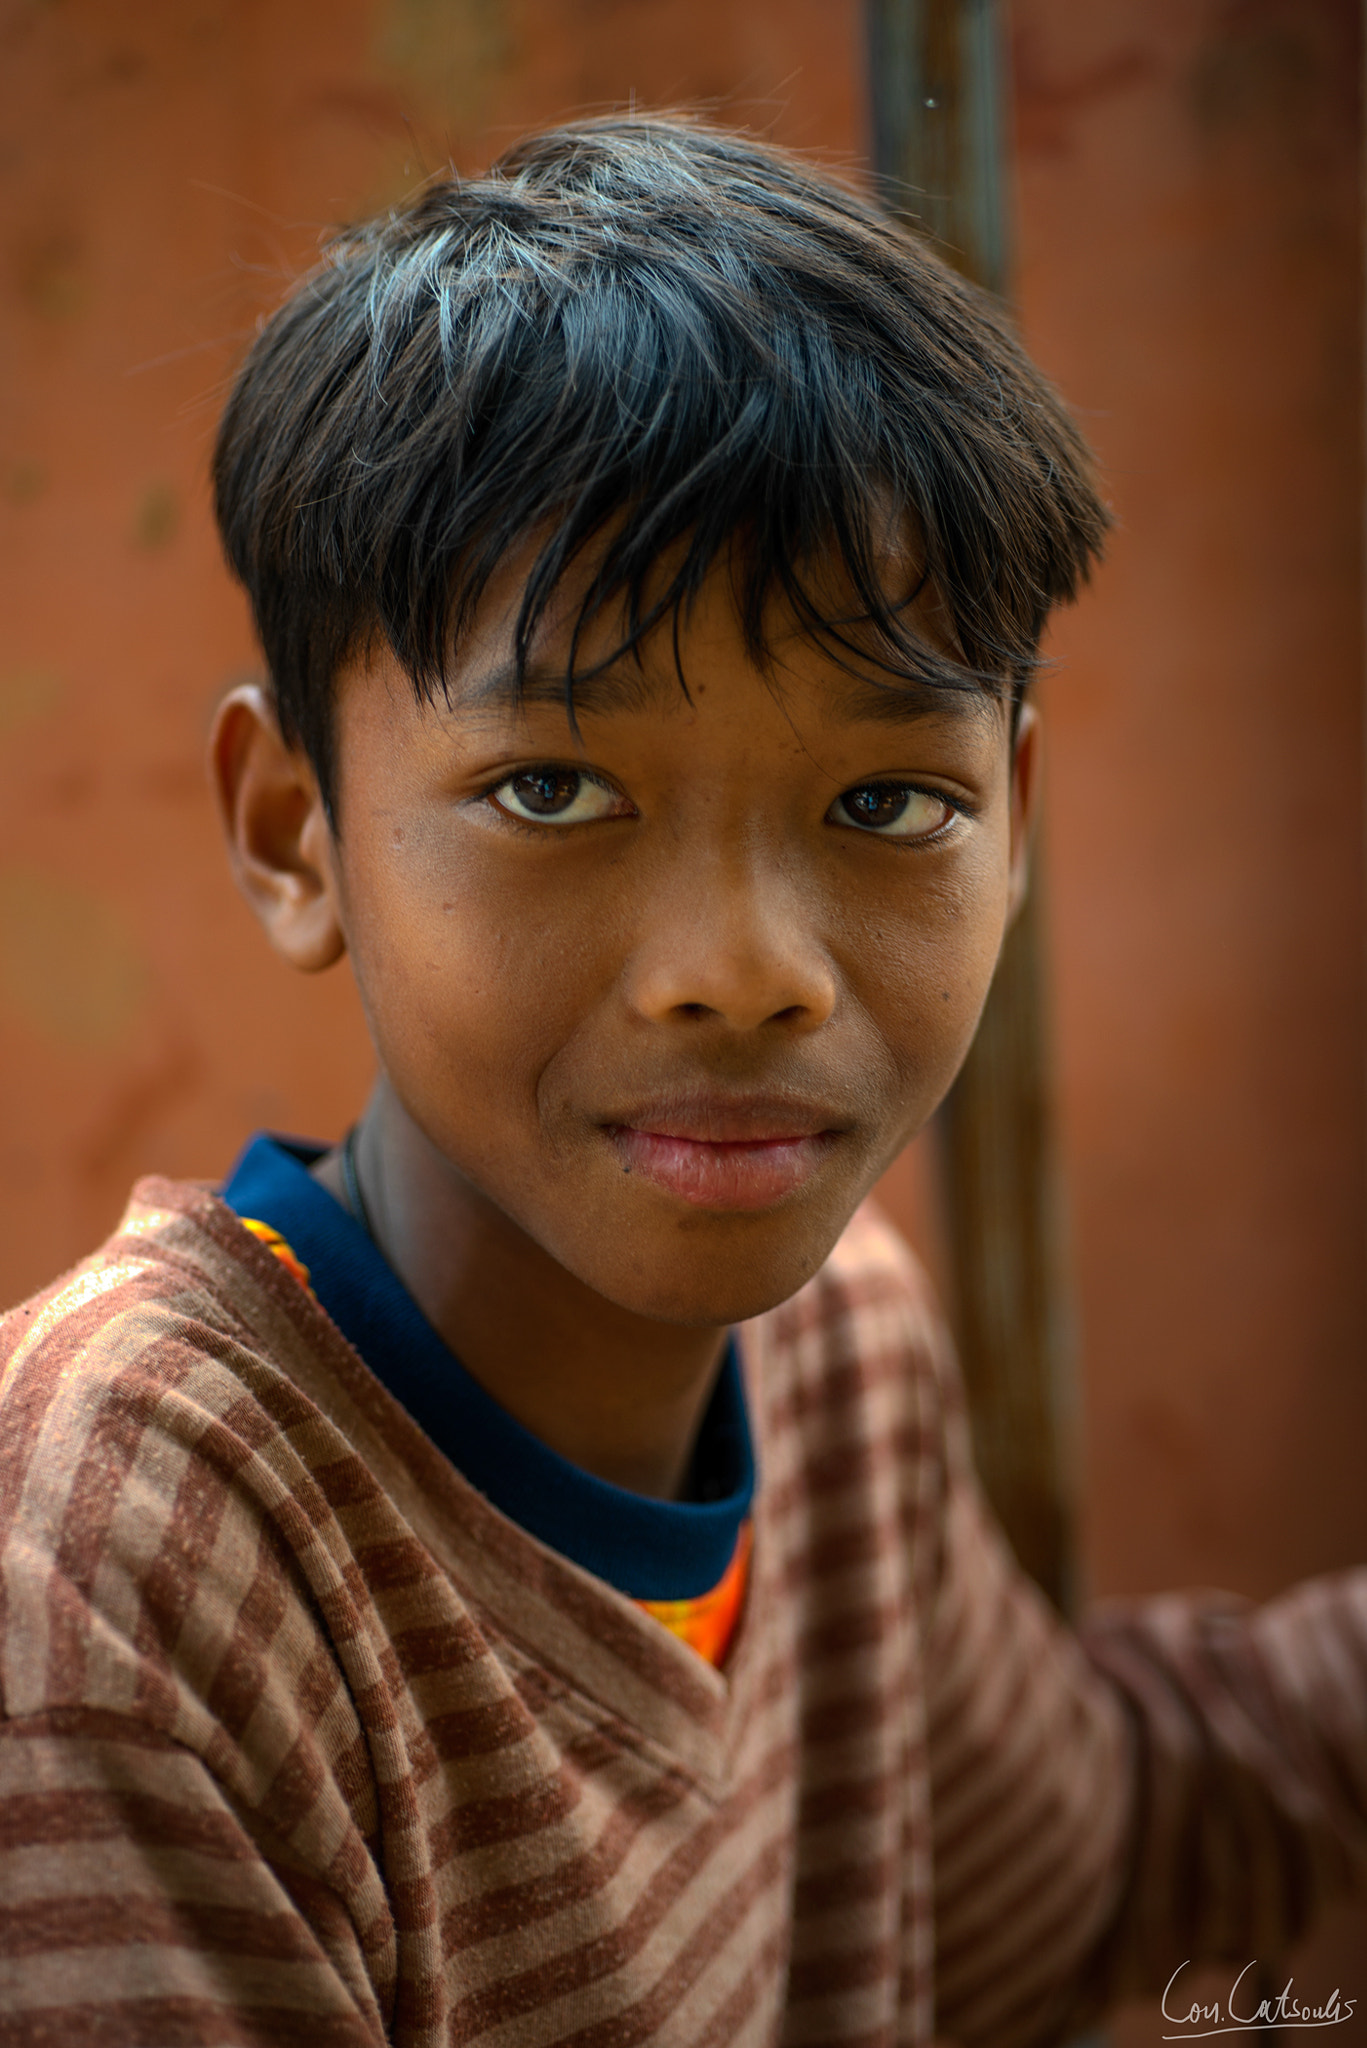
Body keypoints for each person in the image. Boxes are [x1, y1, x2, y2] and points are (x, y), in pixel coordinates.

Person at [0, 114, 1361, 2048]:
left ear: (1017, 826)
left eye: (888, 803)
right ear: (299, 832)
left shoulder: (832, 1358)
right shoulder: (122, 1569)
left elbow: (1090, 1874)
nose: (746, 974)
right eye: (554, 789)